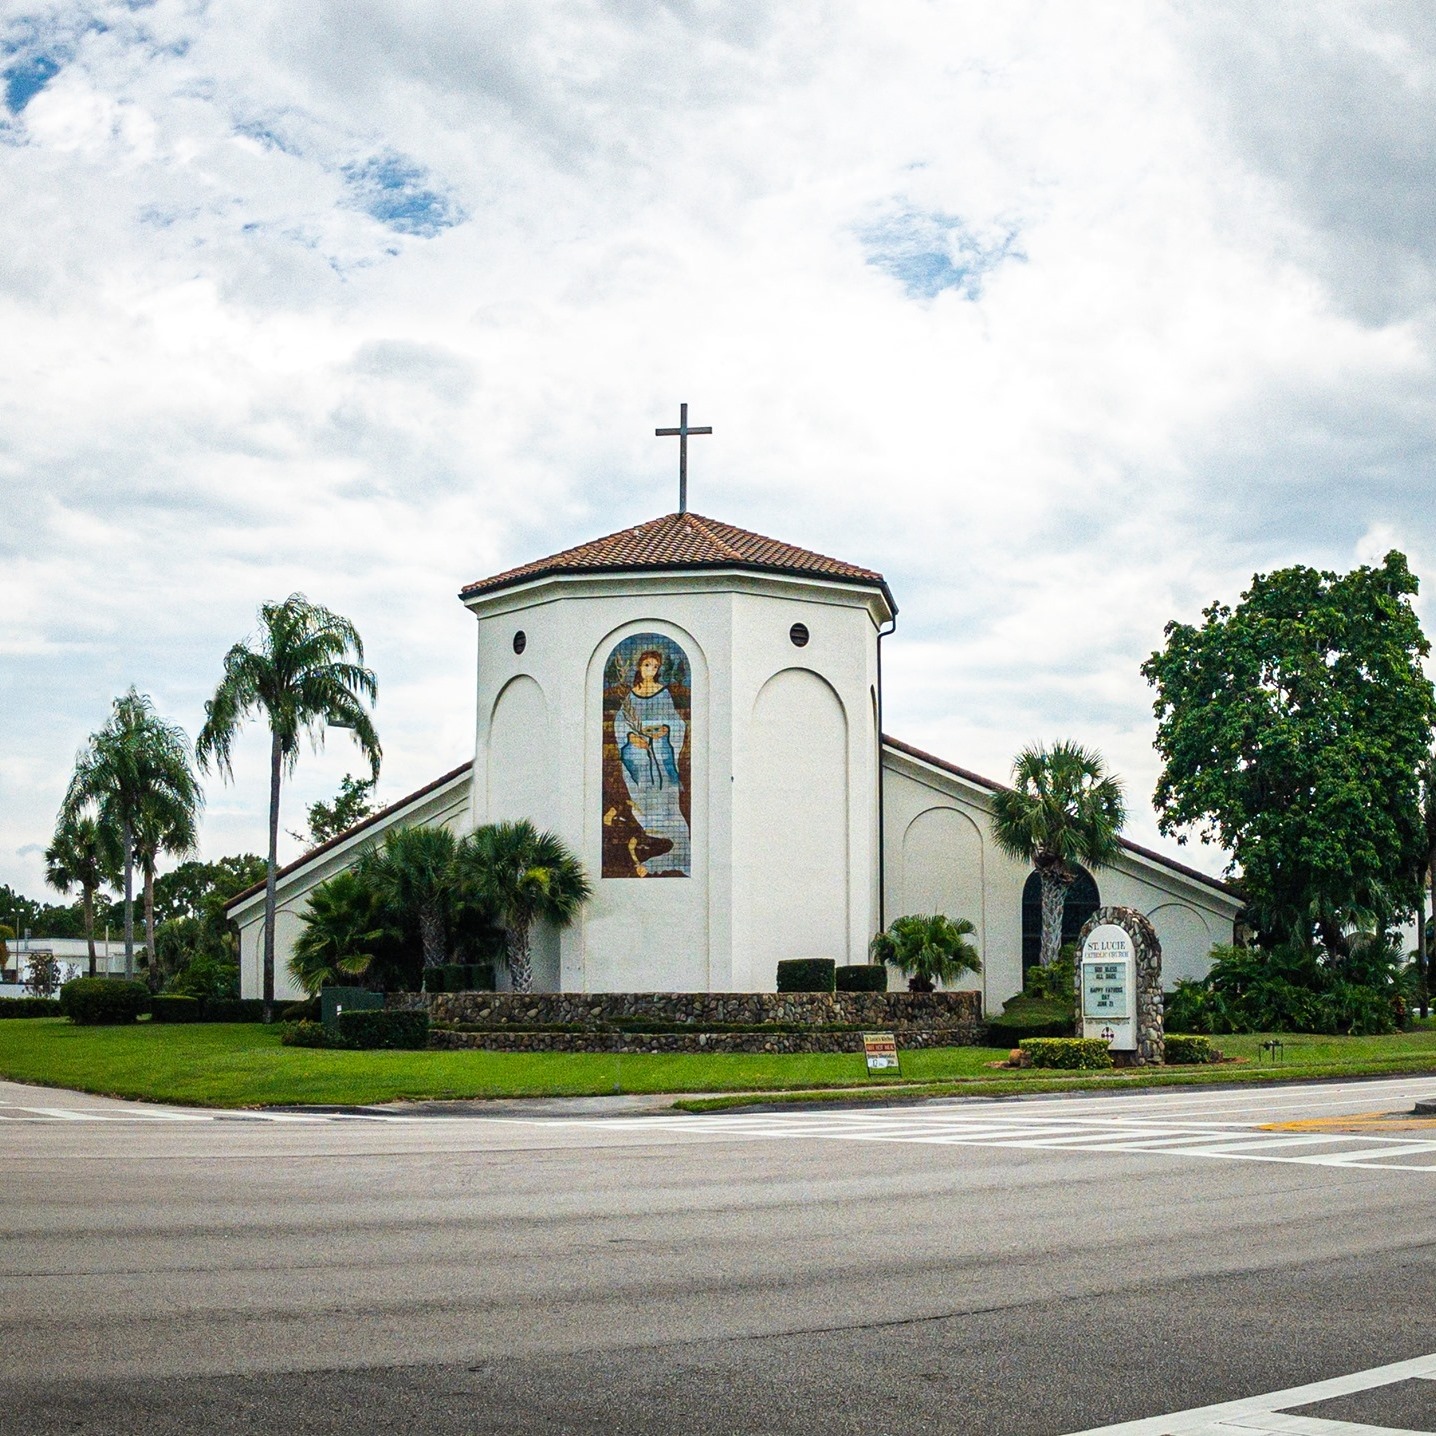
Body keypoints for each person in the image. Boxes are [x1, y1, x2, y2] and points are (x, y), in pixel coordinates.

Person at [612, 649, 690, 876]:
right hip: (638, 745)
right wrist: (631, 737)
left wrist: (665, 730)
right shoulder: (631, 696)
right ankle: (645, 818)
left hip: (661, 744)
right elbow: (621, 723)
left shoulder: (663, 693)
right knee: (637, 759)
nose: (651, 670)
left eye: (655, 667)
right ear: (639, 667)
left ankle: (666, 822)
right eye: (647, 665)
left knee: (663, 767)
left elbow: (675, 721)